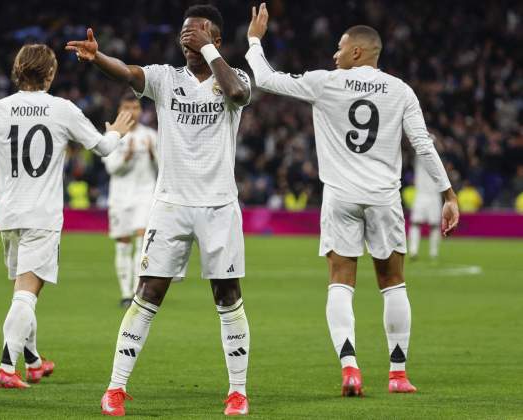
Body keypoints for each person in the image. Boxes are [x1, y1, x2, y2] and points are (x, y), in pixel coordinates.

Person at [246, 3, 459, 397]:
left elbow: (265, 79)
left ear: (358, 52)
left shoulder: (326, 82)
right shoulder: (401, 90)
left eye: (340, 47)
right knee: (393, 283)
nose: (334, 54)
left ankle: (350, 368)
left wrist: (255, 41)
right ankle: (397, 375)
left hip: (340, 196)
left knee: (340, 283)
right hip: (383, 197)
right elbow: (423, 146)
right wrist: (448, 193)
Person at [66, 4, 252, 416]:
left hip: (220, 205)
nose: (187, 39)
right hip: (170, 204)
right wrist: (98, 59)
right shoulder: (167, 79)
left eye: (197, 33)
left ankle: (237, 391)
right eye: (184, 34)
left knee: (227, 295)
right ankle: (115, 388)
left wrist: (209, 53)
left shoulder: (234, 78)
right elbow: (131, 73)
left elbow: (238, 95)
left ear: (216, 39)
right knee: (147, 293)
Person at [0, 43, 134, 389]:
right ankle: (7, 369)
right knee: (27, 293)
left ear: (18, 70)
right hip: (41, 215)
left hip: (7, 214)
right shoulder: (62, 110)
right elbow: (102, 148)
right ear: (51, 74)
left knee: (22, 291)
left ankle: (35, 362)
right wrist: (117, 130)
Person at [103, 94, 158, 308]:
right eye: (127, 107)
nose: (131, 111)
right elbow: (110, 168)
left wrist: (153, 155)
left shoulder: (151, 136)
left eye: (135, 107)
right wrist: (125, 159)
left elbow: (162, 167)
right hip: (119, 198)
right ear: (119, 109)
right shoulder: (113, 135)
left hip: (145, 196)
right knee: (123, 245)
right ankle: (125, 293)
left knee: (142, 242)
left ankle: (138, 292)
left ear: (140, 110)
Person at [408, 139, 443, 260]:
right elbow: (415, 146)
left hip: (434, 195)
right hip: (421, 194)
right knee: (415, 222)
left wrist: (434, 141)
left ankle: (433, 253)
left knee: (434, 225)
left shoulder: (438, 158)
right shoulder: (419, 158)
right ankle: (413, 251)